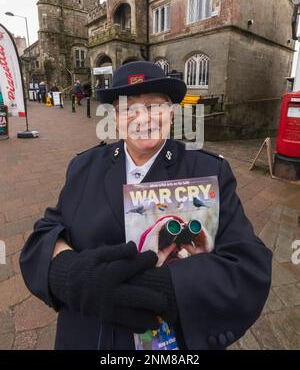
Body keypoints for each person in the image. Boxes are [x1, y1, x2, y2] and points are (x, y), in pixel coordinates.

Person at [19, 61, 272, 350]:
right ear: (116, 115)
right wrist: (67, 273)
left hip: (169, 339)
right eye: (129, 108)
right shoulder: (83, 167)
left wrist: (168, 285)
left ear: (172, 112)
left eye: (154, 106)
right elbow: (47, 232)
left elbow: (248, 265)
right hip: (89, 335)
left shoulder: (207, 171)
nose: (143, 118)